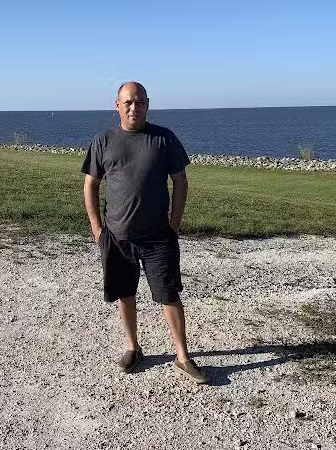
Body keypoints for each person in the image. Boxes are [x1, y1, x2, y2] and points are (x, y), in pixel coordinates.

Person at [81, 81, 209, 384]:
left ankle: (182, 356)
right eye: (127, 102)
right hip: (117, 237)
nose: (133, 107)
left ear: (147, 104)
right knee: (125, 294)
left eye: (139, 102)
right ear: (117, 106)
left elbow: (181, 182)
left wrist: (174, 225)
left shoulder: (164, 139)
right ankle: (133, 348)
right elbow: (90, 185)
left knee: (169, 295)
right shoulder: (103, 141)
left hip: (157, 237)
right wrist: (98, 230)